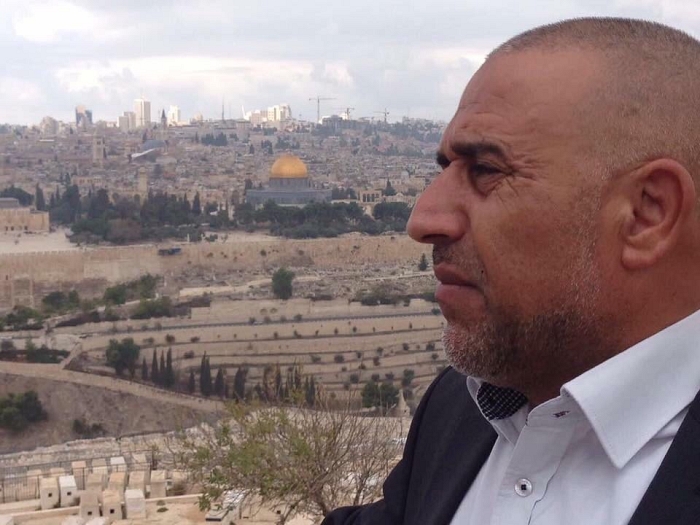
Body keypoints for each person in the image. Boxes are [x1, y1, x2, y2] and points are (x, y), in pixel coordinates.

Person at [322, 17, 700, 525]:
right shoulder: (462, 408)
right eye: (446, 168)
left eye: (485, 170)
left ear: (646, 213)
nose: (423, 220)